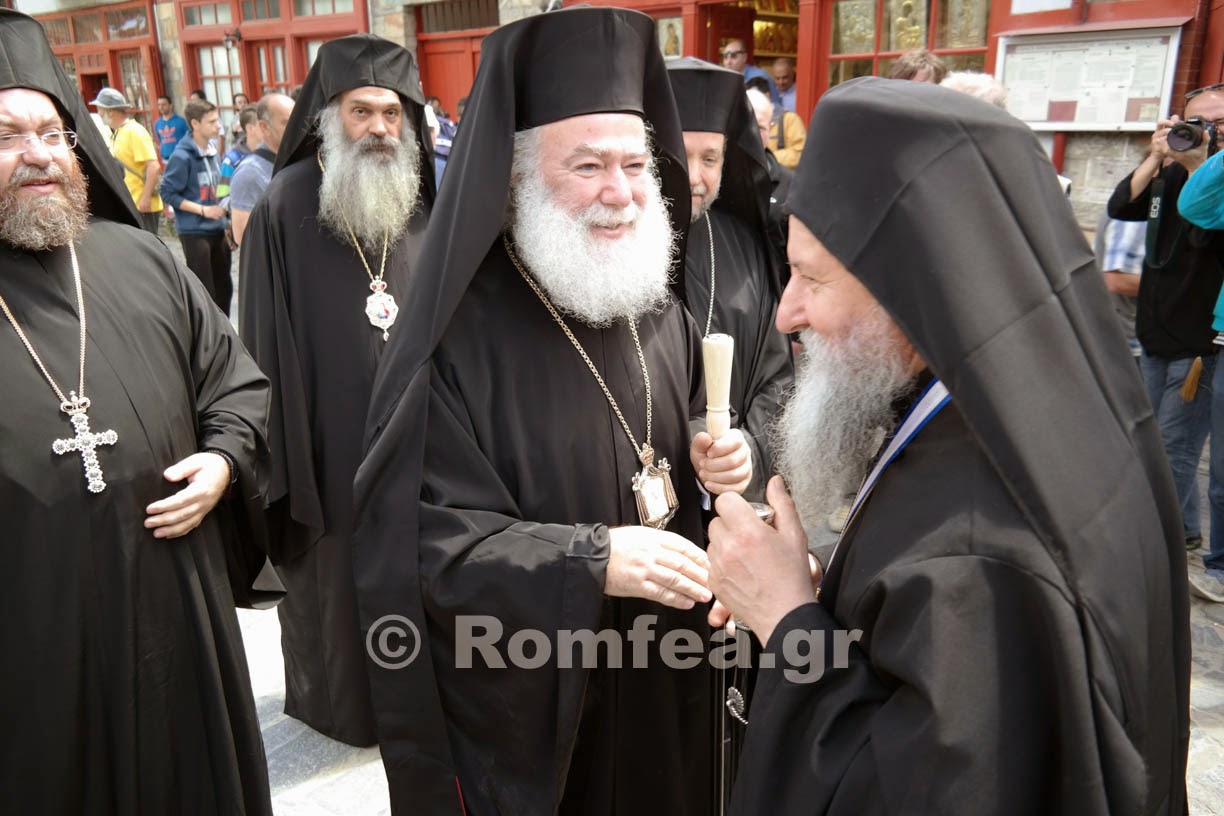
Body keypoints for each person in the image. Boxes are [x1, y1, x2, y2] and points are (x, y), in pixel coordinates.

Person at [707, 75, 1189, 815]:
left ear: (918, 287)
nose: (785, 313)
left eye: (809, 278)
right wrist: (833, 587)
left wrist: (786, 620)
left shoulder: (977, 542)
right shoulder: (1037, 405)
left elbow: (909, 790)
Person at [353, 7, 753, 812]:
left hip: (671, 671)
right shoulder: (454, 337)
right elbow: (422, 543)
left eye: (637, 165)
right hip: (549, 698)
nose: (622, 193)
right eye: (588, 167)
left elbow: (682, 457)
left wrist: (729, 464)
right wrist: (588, 560)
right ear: (514, 179)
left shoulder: (655, 303)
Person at [0, 9, 277, 813]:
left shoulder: (142, 258)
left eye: (52, 133)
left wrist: (225, 458)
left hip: (175, 617)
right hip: (31, 634)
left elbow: (236, 383)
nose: (39, 155)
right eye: (9, 136)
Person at [239, 34, 435, 748]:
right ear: (330, 115)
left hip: (422, 441)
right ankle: (344, 709)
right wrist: (285, 456)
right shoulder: (287, 203)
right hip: (324, 440)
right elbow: (261, 339)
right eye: (362, 111)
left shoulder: (421, 201)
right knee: (339, 582)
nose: (379, 127)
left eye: (391, 112)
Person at [1108, 86, 1224, 567]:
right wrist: (1157, 155)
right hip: (1155, 334)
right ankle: (1185, 532)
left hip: (1199, 341)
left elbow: (1202, 230)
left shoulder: (1214, 185)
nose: (1203, 132)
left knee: (1173, 448)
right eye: (1194, 121)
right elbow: (1121, 205)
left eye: (1217, 126)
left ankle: (1157, 550)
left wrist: (1200, 164)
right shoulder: (1168, 172)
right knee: (1153, 440)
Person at [668, 57, 792, 496]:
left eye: (710, 158)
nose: (697, 178)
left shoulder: (743, 245)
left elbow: (776, 377)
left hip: (731, 503)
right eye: (681, 156)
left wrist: (749, 452)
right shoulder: (613, 252)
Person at [161, 98, 231, 316]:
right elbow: (168, 192)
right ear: (195, 124)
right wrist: (203, 210)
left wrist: (226, 214)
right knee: (205, 292)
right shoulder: (181, 156)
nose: (218, 125)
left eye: (217, 120)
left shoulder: (213, 150)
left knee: (224, 289)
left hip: (218, 228)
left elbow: (219, 185)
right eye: (211, 122)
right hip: (194, 231)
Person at [90, 86, 161, 234]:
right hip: (131, 202)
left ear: (111, 111)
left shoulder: (134, 131)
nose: (99, 113)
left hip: (142, 204)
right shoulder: (118, 133)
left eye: (100, 109)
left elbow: (153, 167)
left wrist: (146, 198)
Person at [229, 92, 293, 246]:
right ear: (264, 127)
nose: (296, 127)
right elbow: (244, 236)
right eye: (287, 123)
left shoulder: (295, 161)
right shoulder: (250, 173)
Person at [745, 86, 792, 269]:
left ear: (771, 128)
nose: (752, 133)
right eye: (745, 124)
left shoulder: (791, 185)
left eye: (760, 127)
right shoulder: (715, 181)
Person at [746, 76, 804, 169]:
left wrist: (767, 158)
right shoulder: (742, 123)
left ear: (767, 95)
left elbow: (800, 153)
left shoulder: (789, 119)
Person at [722, 37, 781, 108]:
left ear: (744, 57)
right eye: (725, 57)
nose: (728, 62)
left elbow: (773, 105)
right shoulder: (724, 78)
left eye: (733, 56)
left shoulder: (759, 76)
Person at [218, 104, 258, 201]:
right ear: (250, 129)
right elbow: (222, 198)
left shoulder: (275, 151)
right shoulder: (231, 160)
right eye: (262, 125)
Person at [155, 94, 189, 163]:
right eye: (159, 105)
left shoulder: (181, 121)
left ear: (170, 105)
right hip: (165, 159)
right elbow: (160, 140)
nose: (161, 107)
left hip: (180, 158)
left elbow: (189, 138)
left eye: (164, 105)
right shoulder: (157, 123)